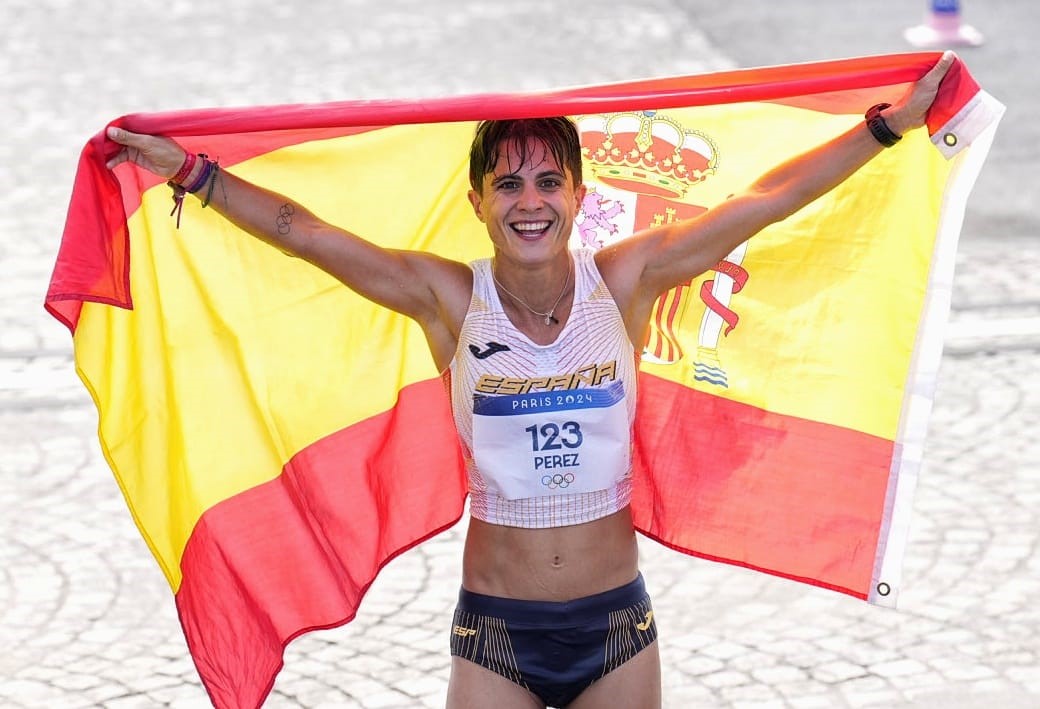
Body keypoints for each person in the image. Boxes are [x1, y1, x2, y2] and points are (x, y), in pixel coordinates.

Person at [105, 52, 955, 709]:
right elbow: (309, 234)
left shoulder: (624, 281)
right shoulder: (446, 299)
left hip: (618, 628)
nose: (530, 200)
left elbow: (763, 202)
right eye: (507, 182)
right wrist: (192, 173)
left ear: (580, 196)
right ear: (477, 201)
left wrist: (884, 128)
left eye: (549, 179)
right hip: (496, 635)